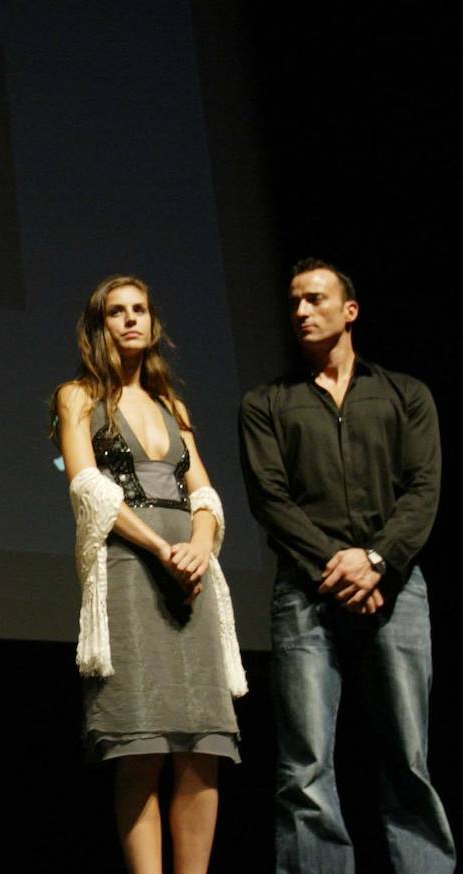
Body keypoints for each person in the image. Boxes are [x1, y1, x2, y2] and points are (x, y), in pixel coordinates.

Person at [239, 258, 454, 873]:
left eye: (315, 299)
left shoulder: (406, 395)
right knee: (305, 765)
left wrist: (378, 561)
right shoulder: (266, 403)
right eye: (294, 303)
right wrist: (340, 567)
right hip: (307, 593)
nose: (301, 312)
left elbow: (423, 490)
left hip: (397, 589)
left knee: (409, 756)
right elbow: (269, 499)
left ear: (349, 311)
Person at [52, 275, 244, 874]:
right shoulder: (78, 397)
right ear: (98, 325)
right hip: (132, 571)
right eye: (117, 311)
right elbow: (87, 487)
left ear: (154, 323)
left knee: (202, 744)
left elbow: (204, 492)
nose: (131, 319)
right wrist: (164, 548)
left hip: (193, 575)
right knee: (142, 742)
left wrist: (201, 544)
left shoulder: (174, 407)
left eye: (140, 310)